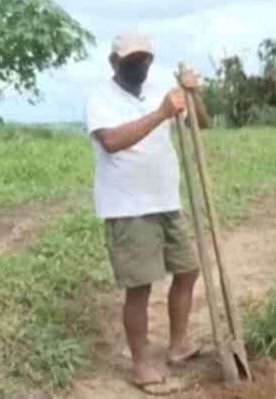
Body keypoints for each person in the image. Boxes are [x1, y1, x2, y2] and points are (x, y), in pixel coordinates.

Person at [85, 32, 210, 396]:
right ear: (113, 62)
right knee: (139, 287)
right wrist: (160, 114)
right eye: (131, 61)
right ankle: (141, 365)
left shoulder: (160, 91)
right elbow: (111, 142)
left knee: (188, 269)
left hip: (166, 201)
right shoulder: (100, 98)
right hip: (128, 207)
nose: (139, 67)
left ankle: (178, 345)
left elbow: (199, 124)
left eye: (144, 61)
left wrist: (191, 94)